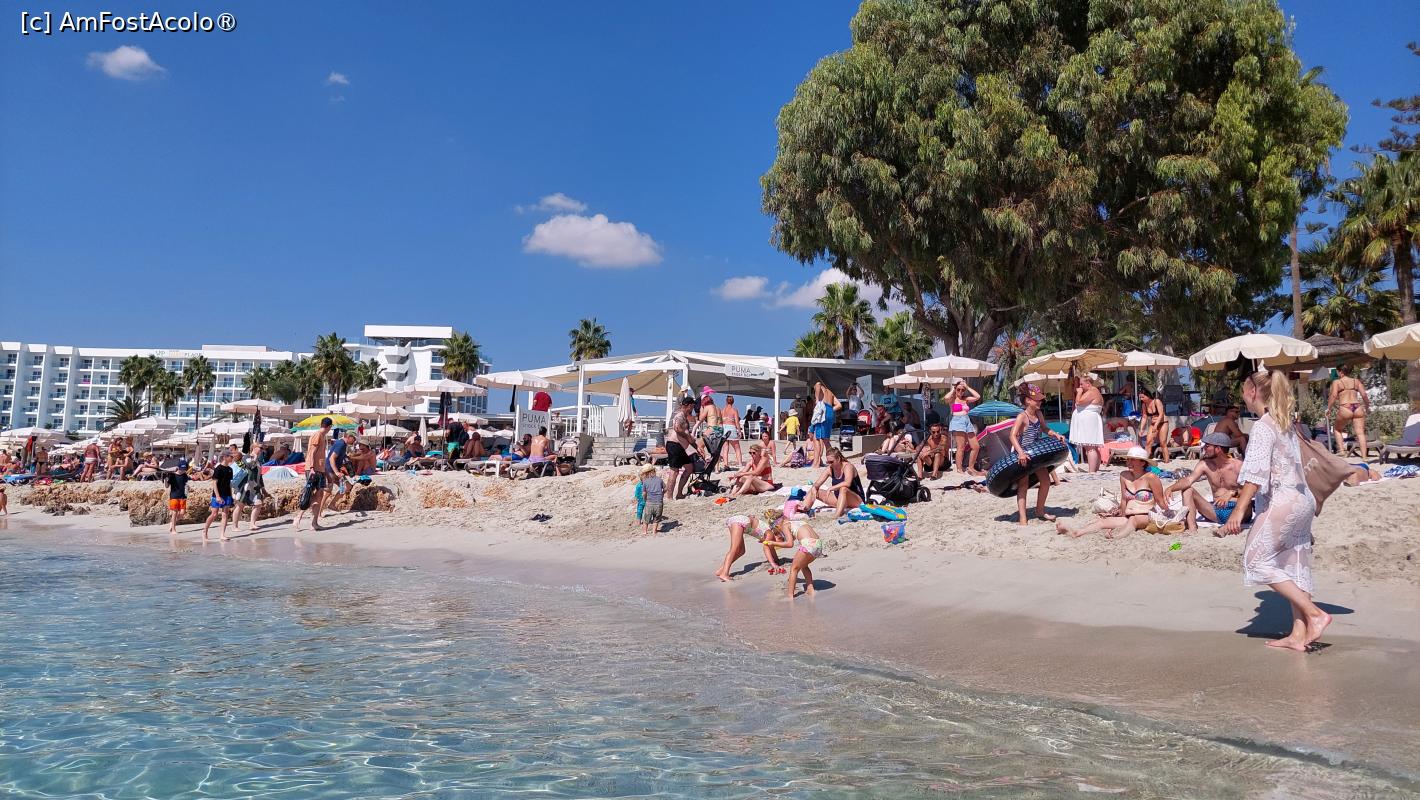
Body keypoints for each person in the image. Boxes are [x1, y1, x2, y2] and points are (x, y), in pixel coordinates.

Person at [1222, 368, 1330, 652]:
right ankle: (1298, 635)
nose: (1242, 397)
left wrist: (1238, 511)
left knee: (1255, 561)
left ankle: (1315, 615)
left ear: (1252, 392)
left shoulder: (1262, 426)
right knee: (1295, 568)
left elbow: (1255, 475)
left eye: (1243, 391)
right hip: (1302, 499)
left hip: (1284, 500)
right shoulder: (1285, 424)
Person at [1057, 447, 1166, 538]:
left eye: (1133, 460)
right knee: (1103, 522)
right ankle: (1076, 533)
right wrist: (1121, 513)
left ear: (1143, 462)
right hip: (1129, 516)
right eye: (1128, 460)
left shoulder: (1151, 477)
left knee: (1134, 519)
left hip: (1147, 516)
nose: (1129, 462)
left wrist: (1169, 515)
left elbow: (1160, 501)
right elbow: (1124, 499)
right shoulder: (1124, 475)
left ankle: (1116, 537)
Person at [1008, 383, 1069, 525]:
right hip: (1023, 454)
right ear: (1028, 400)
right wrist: (1021, 453)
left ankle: (1040, 510)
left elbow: (1044, 428)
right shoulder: (1022, 417)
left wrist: (1055, 434)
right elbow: (1012, 436)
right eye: (1037, 400)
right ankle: (1023, 518)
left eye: (1041, 399)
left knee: (1046, 481)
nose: (1040, 402)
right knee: (1023, 485)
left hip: (1036, 454)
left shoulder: (1038, 414)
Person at [1166, 432, 1247, 531]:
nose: (1204, 448)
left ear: (1218, 449)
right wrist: (1171, 488)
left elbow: (1252, 490)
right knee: (1187, 490)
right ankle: (1192, 528)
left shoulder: (1238, 465)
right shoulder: (1204, 464)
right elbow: (1188, 480)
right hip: (1216, 511)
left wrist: (1232, 493)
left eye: (1207, 446)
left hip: (1239, 510)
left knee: (1246, 502)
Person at [716, 506, 796, 582]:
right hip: (740, 521)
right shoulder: (770, 534)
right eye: (781, 541)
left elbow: (771, 549)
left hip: (738, 522)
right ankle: (724, 574)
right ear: (778, 536)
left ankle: (721, 570)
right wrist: (773, 564)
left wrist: (776, 560)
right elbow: (766, 548)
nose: (778, 545)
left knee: (741, 551)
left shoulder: (770, 535)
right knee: (734, 549)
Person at [294, 417, 333, 532]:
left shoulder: (323, 436)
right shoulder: (317, 435)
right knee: (310, 494)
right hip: (313, 469)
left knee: (319, 496)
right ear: (329, 427)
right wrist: (311, 468)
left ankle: (314, 523)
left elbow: (320, 457)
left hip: (319, 469)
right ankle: (298, 516)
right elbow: (311, 452)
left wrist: (326, 473)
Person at [1327, 364, 1370, 457]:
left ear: (1340, 372)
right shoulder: (1356, 381)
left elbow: (1333, 396)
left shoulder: (1337, 382)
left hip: (1345, 407)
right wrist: (1367, 407)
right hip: (1357, 407)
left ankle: (1342, 450)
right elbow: (1364, 395)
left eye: (1337, 372)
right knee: (1360, 433)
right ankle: (1364, 456)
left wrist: (1328, 408)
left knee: (1337, 429)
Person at [1069, 371, 1106, 473]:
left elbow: (1078, 402)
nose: (1080, 386)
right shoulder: (1094, 391)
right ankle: (1094, 470)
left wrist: (1079, 392)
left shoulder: (1092, 391)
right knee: (1093, 446)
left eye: (1081, 384)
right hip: (1090, 419)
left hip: (1089, 420)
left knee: (1090, 447)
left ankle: (1092, 471)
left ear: (1088, 384)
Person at [812, 447, 863, 518]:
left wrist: (832, 488)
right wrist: (814, 487)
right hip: (840, 499)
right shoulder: (830, 469)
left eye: (831, 462)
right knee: (815, 491)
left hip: (856, 500)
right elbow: (818, 483)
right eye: (828, 462)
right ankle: (803, 508)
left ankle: (836, 515)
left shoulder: (848, 466)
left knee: (843, 489)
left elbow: (847, 483)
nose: (829, 464)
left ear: (838, 459)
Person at [665, 396, 699, 500]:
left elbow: (684, 433)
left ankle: (679, 493)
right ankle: (669, 497)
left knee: (689, 468)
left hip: (681, 446)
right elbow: (677, 428)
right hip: (674, 445)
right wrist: (688, 436)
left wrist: (695, 446)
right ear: (689, 406)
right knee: (674, 471)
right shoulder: (679, 415)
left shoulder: (684, 416)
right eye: (692, 407)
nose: (692, 409)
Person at [946, 379, 983, 475]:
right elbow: (946, 397)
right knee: (961, 447)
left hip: (967, 421)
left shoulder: (965, 399)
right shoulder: (952, 399)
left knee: (976, 446)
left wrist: (967, 387)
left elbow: (977, 396)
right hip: (958, 422)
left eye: (963, 390)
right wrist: (953, 389)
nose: (961, 391)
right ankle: (959, 468)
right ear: (955, 389)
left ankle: (971, 467)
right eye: (958, 389)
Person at [202, 451, 236, 541]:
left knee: (225, 514)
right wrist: (217, 496)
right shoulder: (218, 469)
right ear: (224, 457)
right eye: (230, 456)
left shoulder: (230, 469)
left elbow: (229, 484)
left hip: (227, 494)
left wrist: (231, 496)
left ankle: (222, 535)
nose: (232, 458)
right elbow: (214, 483)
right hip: (217, 495)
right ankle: (205, 531)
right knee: (214, 514)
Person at [231, 445, 265, 532]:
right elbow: (250, 466)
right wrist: (255, 458)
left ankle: (252, 524)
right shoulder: (246, 457)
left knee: (258, 503)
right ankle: (234, 526)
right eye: (260, 448)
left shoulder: (259, 461)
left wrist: (263, 488)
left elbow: (259, 475)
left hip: (255, 486)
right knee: (240, 505)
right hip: (245, 485)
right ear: (253, 448)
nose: (262, 450)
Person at [808, 383, 837, 468]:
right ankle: (833, 460)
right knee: (826, 440)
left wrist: (817, 399)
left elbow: (818, 384)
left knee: (816, 439)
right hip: (829, 412)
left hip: (823, 411)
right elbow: (839, 405)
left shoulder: (820, 389)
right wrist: (830, 410)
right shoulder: (830, 393)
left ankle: (816, 463)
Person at [1138, 388, 1171, 464]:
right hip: (1153, 423)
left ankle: (1167, 461)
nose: (1141, 399)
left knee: (1163, 443)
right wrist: (1142, 429)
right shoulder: (1144, 405)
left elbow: (1161, 414)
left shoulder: (1157, 401)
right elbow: (1144, 417)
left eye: (1143, 397)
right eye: (1140, 397)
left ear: (1148, 396)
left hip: (1163, 422)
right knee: (1148, 442)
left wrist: (1156, 425)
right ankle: (1146, 460)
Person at [161, 458, 190, 533]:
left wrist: (188, 489)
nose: (183, 471)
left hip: (183, 496)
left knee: (182, 513)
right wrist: (166, 480)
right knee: (174, 513)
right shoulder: (172, 475)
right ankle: (173, 529)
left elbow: (185, 484)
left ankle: (172, 523)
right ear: (178, 468)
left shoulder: (185, 475)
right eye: (182, 469)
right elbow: (167, 486)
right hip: (174, 496)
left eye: (184, 469)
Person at [635, 464, 665, 534]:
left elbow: (643, 493)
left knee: (645, 513)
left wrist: (639, 498)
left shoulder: (645, 483)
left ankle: (644, 528)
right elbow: (638, 493)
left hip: (648, 501)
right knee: (643, 512)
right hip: (650, 501)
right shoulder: (656, 480)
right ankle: (652, 530)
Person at [721, 395, 743, 469]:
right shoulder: (734, 410)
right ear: (733, 402)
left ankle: (726, 464)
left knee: (725, 448)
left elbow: (720, 421)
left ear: (726, 401)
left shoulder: (722, 410)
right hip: (731, 427)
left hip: (724, 427)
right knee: (737, 447)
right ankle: (740, 463)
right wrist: (739, 431)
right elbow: (737, 422)